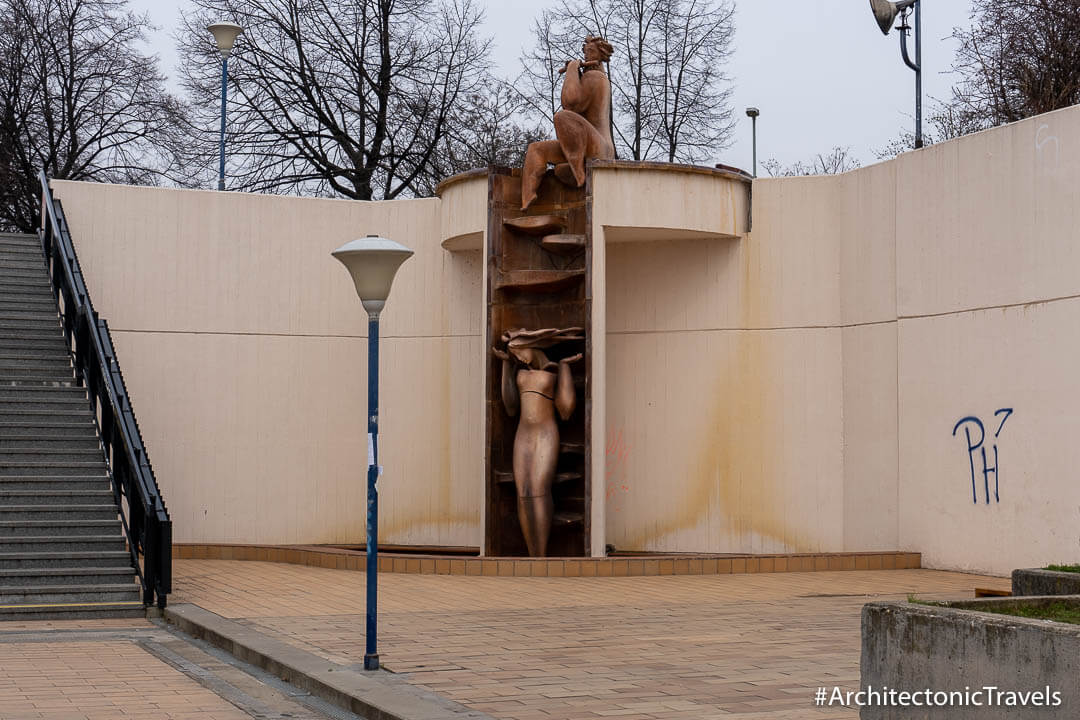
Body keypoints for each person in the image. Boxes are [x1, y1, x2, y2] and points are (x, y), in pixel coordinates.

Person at [492, 328, 582, 556]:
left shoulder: (553, 369)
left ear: (535, 345)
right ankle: (532, 553)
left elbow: (566, 410)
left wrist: (565, 369)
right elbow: (511, 407)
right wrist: (505, 366)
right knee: (524, 492)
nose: (519, 358)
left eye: (520, 352)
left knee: (539, 490)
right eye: (514, 354)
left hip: (546, 434)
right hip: (523, 434)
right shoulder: (519, 371)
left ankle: (541, 554)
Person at [521, 35, 615, 211]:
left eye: (591, 52)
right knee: (536, 150)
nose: (586, 56)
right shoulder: (589, 76)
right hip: (586, 143)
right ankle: (528, 198)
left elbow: (571, 103)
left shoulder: (595, 76)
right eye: (585, 52)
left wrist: (572, 69)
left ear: (601, 55)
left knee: (562, 117)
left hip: (598, 146)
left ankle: (578, 171)